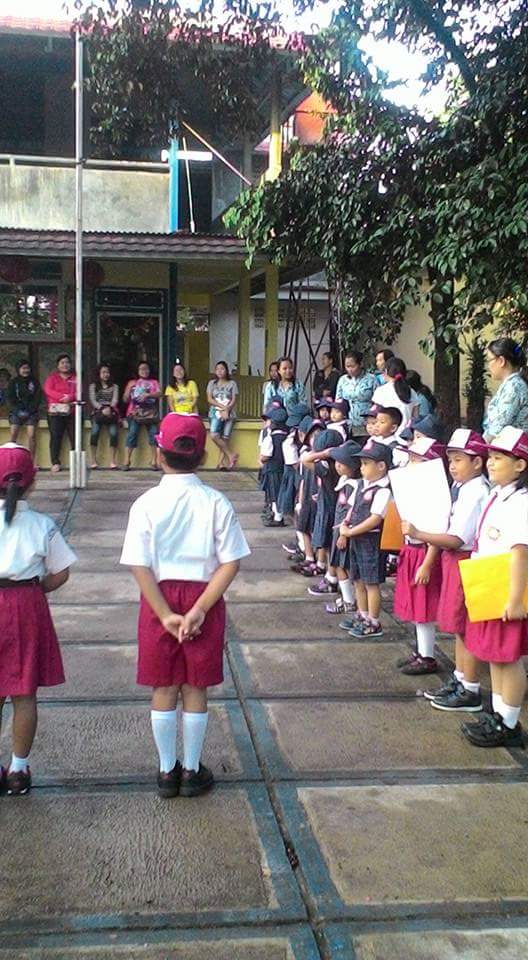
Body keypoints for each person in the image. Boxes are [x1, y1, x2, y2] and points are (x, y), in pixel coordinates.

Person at [120, 413, 250, 797]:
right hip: (203, 598)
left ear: (159, 454)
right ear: (203, 455)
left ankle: (166, 772)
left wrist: (164, 613)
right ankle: (192, 771)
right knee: (195, 686)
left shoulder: (145, 503)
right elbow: (231, 562)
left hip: (158, 599)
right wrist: (200, 610)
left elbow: (138, 564)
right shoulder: (216, 502)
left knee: (163, 685)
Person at [0, 442, 76, 795]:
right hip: (26, 603)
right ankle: (19, 769)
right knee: (23, 692)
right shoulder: (42, 525)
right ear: (32, 482)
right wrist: (37, 589)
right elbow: (61, 572)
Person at [400, 429, 489, 711]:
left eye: (459, 459)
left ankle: (470, 689)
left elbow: (456, 539)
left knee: (466, 628)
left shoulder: (476, 491)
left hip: (464, 560)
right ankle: (460, 679)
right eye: (450, 459)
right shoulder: (463, 488)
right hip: (454, 561)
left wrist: (419, 533)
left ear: (477, 462)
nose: (452, 466)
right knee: (459, 628)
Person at [461, 426, 528, 748]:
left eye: (499, 458)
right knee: (494, 655)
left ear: (520, 464)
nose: (490, 463)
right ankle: (500, 715)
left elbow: (520, 553)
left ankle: (509, 723)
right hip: (489, 584)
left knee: (508, 658)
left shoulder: (521, 502)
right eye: (490, 457)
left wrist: (515, 600)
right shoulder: (497, 495)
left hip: (506, 589)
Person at [393, 437, 446, 675]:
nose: (411, 463)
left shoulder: (436, 494)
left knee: (423, 608)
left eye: (417, 459)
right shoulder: (418, 489)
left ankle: (427, 656)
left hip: (424, 553)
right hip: (412, 550)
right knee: (415, 606)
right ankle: (421, 651)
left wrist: (426, 564)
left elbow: (436, 531)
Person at [337, 440, 393, 638]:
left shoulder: (383, 490)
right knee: (358, 580)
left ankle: (374, 621)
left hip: (371, 542)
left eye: (366, 464)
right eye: (361, 464)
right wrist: (345, 524)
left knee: (371, 582)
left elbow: (375, 519)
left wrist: (350, 532)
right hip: (356, 540)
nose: (361, 468)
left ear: (381, 466)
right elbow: (352, 508)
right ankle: (362, 614)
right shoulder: (361, 485)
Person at [324, 440, 361, 615]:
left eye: (342, 463)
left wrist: (344, 534)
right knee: (338, 564)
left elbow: (351, 512)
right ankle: (347, 598)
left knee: (342, 566)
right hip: (338, 529)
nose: (337, 466)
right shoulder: (344, 481)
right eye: (337, 462)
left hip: (344, 531)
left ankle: (348, 601)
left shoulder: (354, 486)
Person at [483, 337, 528, 441]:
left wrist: (478, 448)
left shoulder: (514, 387)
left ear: (501, 361)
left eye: (489, 360)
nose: (488, 366)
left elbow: (497, 429)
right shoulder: (511, 384)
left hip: (510, 449)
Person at [123, 362, 161, 471]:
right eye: (142, 369)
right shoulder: (132, 382)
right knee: (132, 432)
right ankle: (127, 460)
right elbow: (125, 400)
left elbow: (159, 394)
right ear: (137, 371)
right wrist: (128, 391)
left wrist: (148, 394)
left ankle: (154, 461)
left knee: (154, 433)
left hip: (150, 413)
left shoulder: (154, 382)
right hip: (135, 412)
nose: (144, 371)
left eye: (146, 369)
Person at [43, 354, 77, 474]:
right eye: (62, 363)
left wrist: (70, 397)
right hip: (55, 412)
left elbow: (79, 391)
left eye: (67, 362)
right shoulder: (52, 378)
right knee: (56, 437)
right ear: (58, 365)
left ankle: (76, 463)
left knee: (75, 437)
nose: (65, 365)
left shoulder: (75, 378)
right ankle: (55, 462)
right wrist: (63, 397)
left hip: (72, 411)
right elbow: (48, 390)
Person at [335, 350, 377, 440]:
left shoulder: (371, 379)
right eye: (347, 366)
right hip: (347, 423)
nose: (350, 369)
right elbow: (338, 400)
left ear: (360, 364)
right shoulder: (342, 380)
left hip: (366, 423)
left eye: (353, 366)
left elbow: (378, 402)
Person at [372, 357, 419, 434]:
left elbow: (375, 415)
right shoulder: (411, 392)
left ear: (386, 371)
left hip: (387, 435)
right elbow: (415, 417)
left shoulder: (380, 391)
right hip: (406, 435)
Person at [206, 361, 239, 471]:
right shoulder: (212, 383)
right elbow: (209, 399)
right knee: (214, 435)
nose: (220, 371)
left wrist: (227, 410)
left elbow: (234, 399)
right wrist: (222, 407)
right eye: (217, 369)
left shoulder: (232, 384)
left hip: (229, 413)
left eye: (222, 369)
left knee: (225, 438)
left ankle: (221, 463)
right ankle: (231, 455)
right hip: (215, 412)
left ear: (226, 370)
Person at [260, 406, 289, 527]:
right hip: (283, 469)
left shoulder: (270, 438)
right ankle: (278, 515)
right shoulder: (288, 436)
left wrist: (261, 459)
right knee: (281, 491)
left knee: (274, 493)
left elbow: (265, 456)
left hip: (272, 470)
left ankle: (278, 517)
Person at [7, 360, 42, 461]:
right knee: (13, 434)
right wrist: (17, 410)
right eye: (23, 368)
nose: (26, 370)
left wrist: (30, 410)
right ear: (18, 370)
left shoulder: (34, 382)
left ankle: (31, 461)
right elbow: (10, 399)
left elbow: (37, 398)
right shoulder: (13, 382)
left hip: (31, 412)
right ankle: (11, 460)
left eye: (27, 368)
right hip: (16, 411)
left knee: (31, 435)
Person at [89, 363, 120, 470]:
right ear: (98, 374)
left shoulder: (115, 386)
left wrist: (109, 408)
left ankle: (113, 461)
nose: (106, 374)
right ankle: (93, 460)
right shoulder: (93, 386)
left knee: (114, 434)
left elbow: (115, 400)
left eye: (107, 372)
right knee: (94, 433)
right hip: (98, 412)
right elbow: (93, 400)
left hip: (111, 412)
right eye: (103, 372)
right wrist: (102, 408)